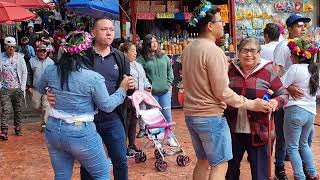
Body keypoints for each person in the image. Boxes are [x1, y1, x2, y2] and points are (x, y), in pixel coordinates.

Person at [181, 3, 273, 180]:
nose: (223, 25)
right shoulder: (213, 51)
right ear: (209, 26)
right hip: (210, 116)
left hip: (191, 114)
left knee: (203, 160)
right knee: (220, 164)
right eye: (220, 21)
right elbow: (222, 92)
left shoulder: (188, 49)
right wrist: (250, 103)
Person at [36, 31, 134, 180]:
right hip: (81, 131)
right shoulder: (92, 77)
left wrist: (50, 90)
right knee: (102, 175)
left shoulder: (51, 70)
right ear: (86, 52)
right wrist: (123, 89)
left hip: (54, 129)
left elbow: (39, 87)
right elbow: (106, 105)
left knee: (61, 176)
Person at [225, 38, 288, 180]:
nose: (249, 54)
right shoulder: (230, 69)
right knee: (230, 172)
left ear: (259, 53)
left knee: (261, 175)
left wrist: (274, 102)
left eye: (253, 51)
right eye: (245, 50)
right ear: (238, 53)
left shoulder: (268, 70)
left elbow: (283, 94)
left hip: (260, 131)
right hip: (231, 131)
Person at [273, 14, 311, 180]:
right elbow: (277, 70)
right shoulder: (284, 46)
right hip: (286, 100)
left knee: (307, 137)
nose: (303, 29)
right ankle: (279, 168)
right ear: (289, 28)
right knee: (282, 136)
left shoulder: (307, 46)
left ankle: (305, 169)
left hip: (305, 103)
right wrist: (288, 87)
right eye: (299, 26)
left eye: (304, 26)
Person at [281, 38, 319, 180]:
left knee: (292, 147)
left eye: (291, 55)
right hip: (310, 113)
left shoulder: (294, 68)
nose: (290, 57)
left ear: (297, 55)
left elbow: (280, 85)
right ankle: (313, 173)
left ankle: (300, 176)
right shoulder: (314, 70)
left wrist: (289, 88)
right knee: (304, 144)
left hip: (295, 111)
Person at [137, 34, 177, 147]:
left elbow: (170, 71)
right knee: (154, 118)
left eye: (156, 42)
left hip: (165, 91)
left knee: (167, 116)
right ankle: (157, 140)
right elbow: (140, 76)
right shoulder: (141, 59)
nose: (154, 44)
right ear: (146, 45)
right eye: (151, 42)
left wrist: (169, 83)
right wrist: (147, 87)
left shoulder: (163, 56)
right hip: (151, 94)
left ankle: (170, 137)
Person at [119, 42, 151, 156]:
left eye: (135, 50)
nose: (135, 53)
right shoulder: (122, 66)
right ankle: (123, 147)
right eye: (132, 51)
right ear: (124, 53)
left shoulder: (138, 65)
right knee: (125, 123)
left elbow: (144, 78)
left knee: (133, 122)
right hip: (127, 99)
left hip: (138, 99)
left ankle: (132, 145)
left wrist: (148, 86)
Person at [0, 37, 27, 140]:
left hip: (17, 88)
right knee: (5, 110)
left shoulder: (20, 57)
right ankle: (4, 131)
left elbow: (24, 72)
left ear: (15, 47)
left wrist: (22, 87)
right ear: (5, 47)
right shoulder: (1, 57)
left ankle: (18, 127)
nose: (11, 49)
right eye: (8, 47)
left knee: (18, 110)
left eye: (12, 47)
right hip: (4, 88)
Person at [27, 44, 54, 131]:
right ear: (37, 52)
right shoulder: (32, 61)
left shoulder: (51, 62)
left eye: (44, 51)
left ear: (46, 52)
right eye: (40, 51)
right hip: (36, 88)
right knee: (36, 106)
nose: (42, 53)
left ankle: (44, 123)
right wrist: (29, 86)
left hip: (48, 88)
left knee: (46, 106)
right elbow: (29, 74)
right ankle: (43, 116)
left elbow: (54, 76)